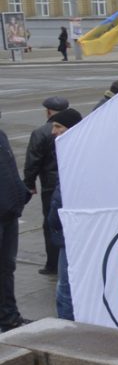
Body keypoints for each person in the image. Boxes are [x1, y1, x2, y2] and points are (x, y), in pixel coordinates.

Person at [24, 96, 69, 276]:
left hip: (50, 185)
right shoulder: (74, 126)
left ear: (48, 111)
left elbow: (32, 161)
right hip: (69, 182)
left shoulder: (41, 132)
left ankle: (52, 264)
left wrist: (29, 184)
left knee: (51, 223)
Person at [44, 108, 82, 320]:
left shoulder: (72, 154)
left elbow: (60, 197)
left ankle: (66, 327)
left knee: (65, 285)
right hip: (69, 229)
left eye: (58, 127)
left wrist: (53, 221)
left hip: (70, 231)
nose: (53, 132)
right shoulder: (65, 149)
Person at [1, 113, 34, 332]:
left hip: (8, 214)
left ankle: (8, 318)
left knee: (5, 269)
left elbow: (8, 171)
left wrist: (21, 194)